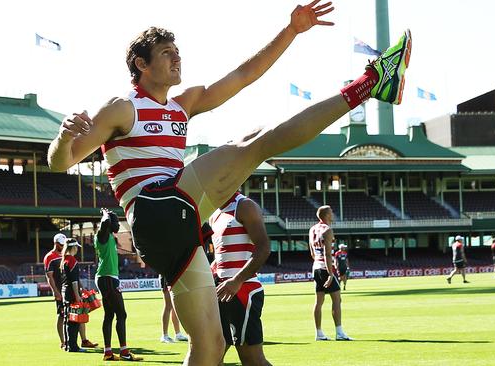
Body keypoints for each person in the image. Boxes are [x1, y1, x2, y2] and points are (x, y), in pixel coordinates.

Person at [47, 1, 411, 361]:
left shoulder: (182, 105)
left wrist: (291, 31)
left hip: (177, 235)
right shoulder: (123, 107)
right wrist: (64, 137)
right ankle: (372, 83)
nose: (177, 59)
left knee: (210, 346)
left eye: (178, 51)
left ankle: (375, 83)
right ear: (141, 65)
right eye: (166, 53)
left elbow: (243, 75)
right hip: (156, 208)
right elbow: (61, 162)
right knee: (255, 142)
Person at [209, 192, 272, 365]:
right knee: (213, 355)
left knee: (252, 359)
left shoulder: (244, 206)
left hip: (244, 290)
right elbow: (222, 256)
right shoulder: (215, 213)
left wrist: (237, 280)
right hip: (220, 290)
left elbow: (264, 247)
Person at [95, 209, 143, 361]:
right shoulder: (102, 235)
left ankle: (108, 353)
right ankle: (124, 352)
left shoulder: (108, 236)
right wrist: (105, 215)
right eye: (115, 222)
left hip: (108, 278)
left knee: (110, 315)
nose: (117, 225)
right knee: (121, 314)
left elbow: (107, 224)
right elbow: (105, 223)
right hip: (107, 278)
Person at [44, 233, 97, 350]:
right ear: (56, 243)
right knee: (67, 317)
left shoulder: (64, 259)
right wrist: (56, 292)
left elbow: (74, 278)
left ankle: (78, 341)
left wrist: (81, 287)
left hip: (65, 290)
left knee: (74, 316)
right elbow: (52, 277)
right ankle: (66, 343)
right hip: (67, 291)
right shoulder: (58, 258)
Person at [309, 205, 351, 341]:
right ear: (327, 215)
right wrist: (330, 273)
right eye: (331, 212)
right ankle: (339, 333)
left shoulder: (312, 229)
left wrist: (319, 264)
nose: (333, 214)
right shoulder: (328, 230)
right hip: (326, 268)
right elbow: (328, 254)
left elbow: (312, 252)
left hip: (316, 267)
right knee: (337, 299)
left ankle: (319, 333)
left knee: (318, 301)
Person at [60, 238, 84, 352]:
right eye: (77, 247)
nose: (77, 249)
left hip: (64, 292)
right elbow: (74, 281)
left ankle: (67, 345)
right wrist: (77, 295)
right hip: (71, 293)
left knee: (66, 319)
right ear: (73, 247)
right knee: (74, 321)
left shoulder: (64, 260)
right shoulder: (73, 261)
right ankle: (73, 346)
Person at [159, 274, 189, 343]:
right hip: (166, 276)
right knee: (168, 305)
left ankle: (178, 334)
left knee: (174, 305)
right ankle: (164, 335)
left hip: (173, 276)